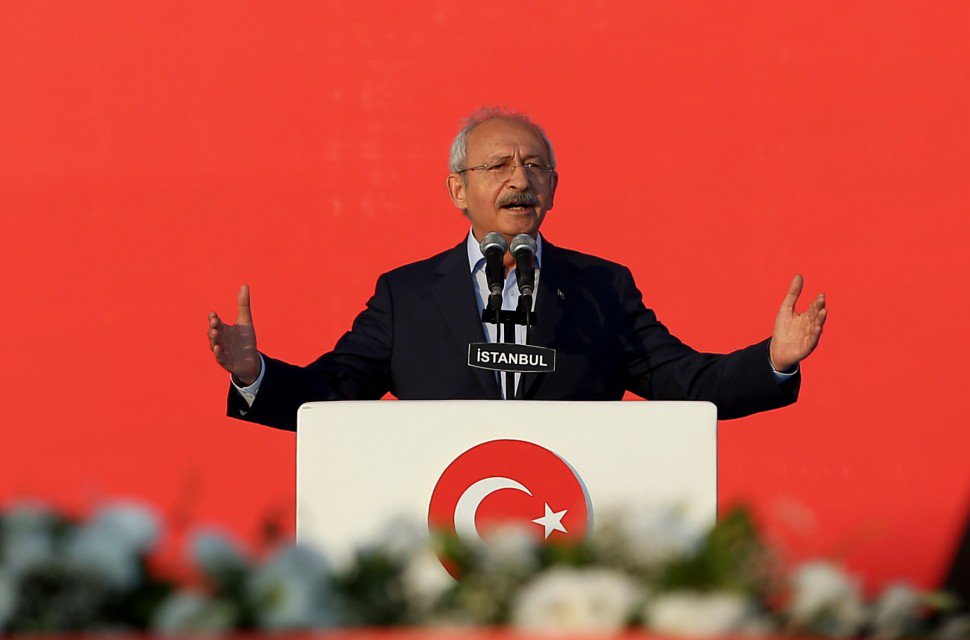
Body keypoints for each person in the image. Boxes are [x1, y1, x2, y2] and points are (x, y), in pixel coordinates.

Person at [207, 107, 827, 431]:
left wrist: (773, 360)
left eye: (535, 166)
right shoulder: (407, 296)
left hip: (570, 528)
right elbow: (332, 396)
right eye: (498, 165)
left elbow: (684, 383)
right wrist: (254, 375)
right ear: (458, 189)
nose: (519, 179)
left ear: (553, 188)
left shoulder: (601, 289)